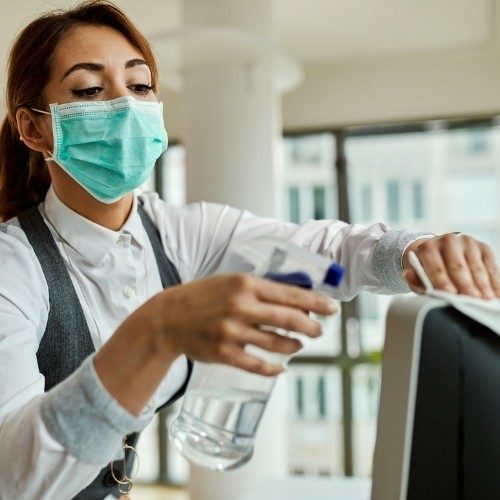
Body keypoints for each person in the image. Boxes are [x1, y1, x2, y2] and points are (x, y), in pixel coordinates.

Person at [0, 1, 498, 499]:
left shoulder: (178, 233)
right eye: (90, 89)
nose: (126, 106)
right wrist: (155, 331)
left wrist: (412, 252)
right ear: (33, 128)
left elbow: (326, 252)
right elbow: (10, 477)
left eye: (140, 85)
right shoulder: (13, 267)